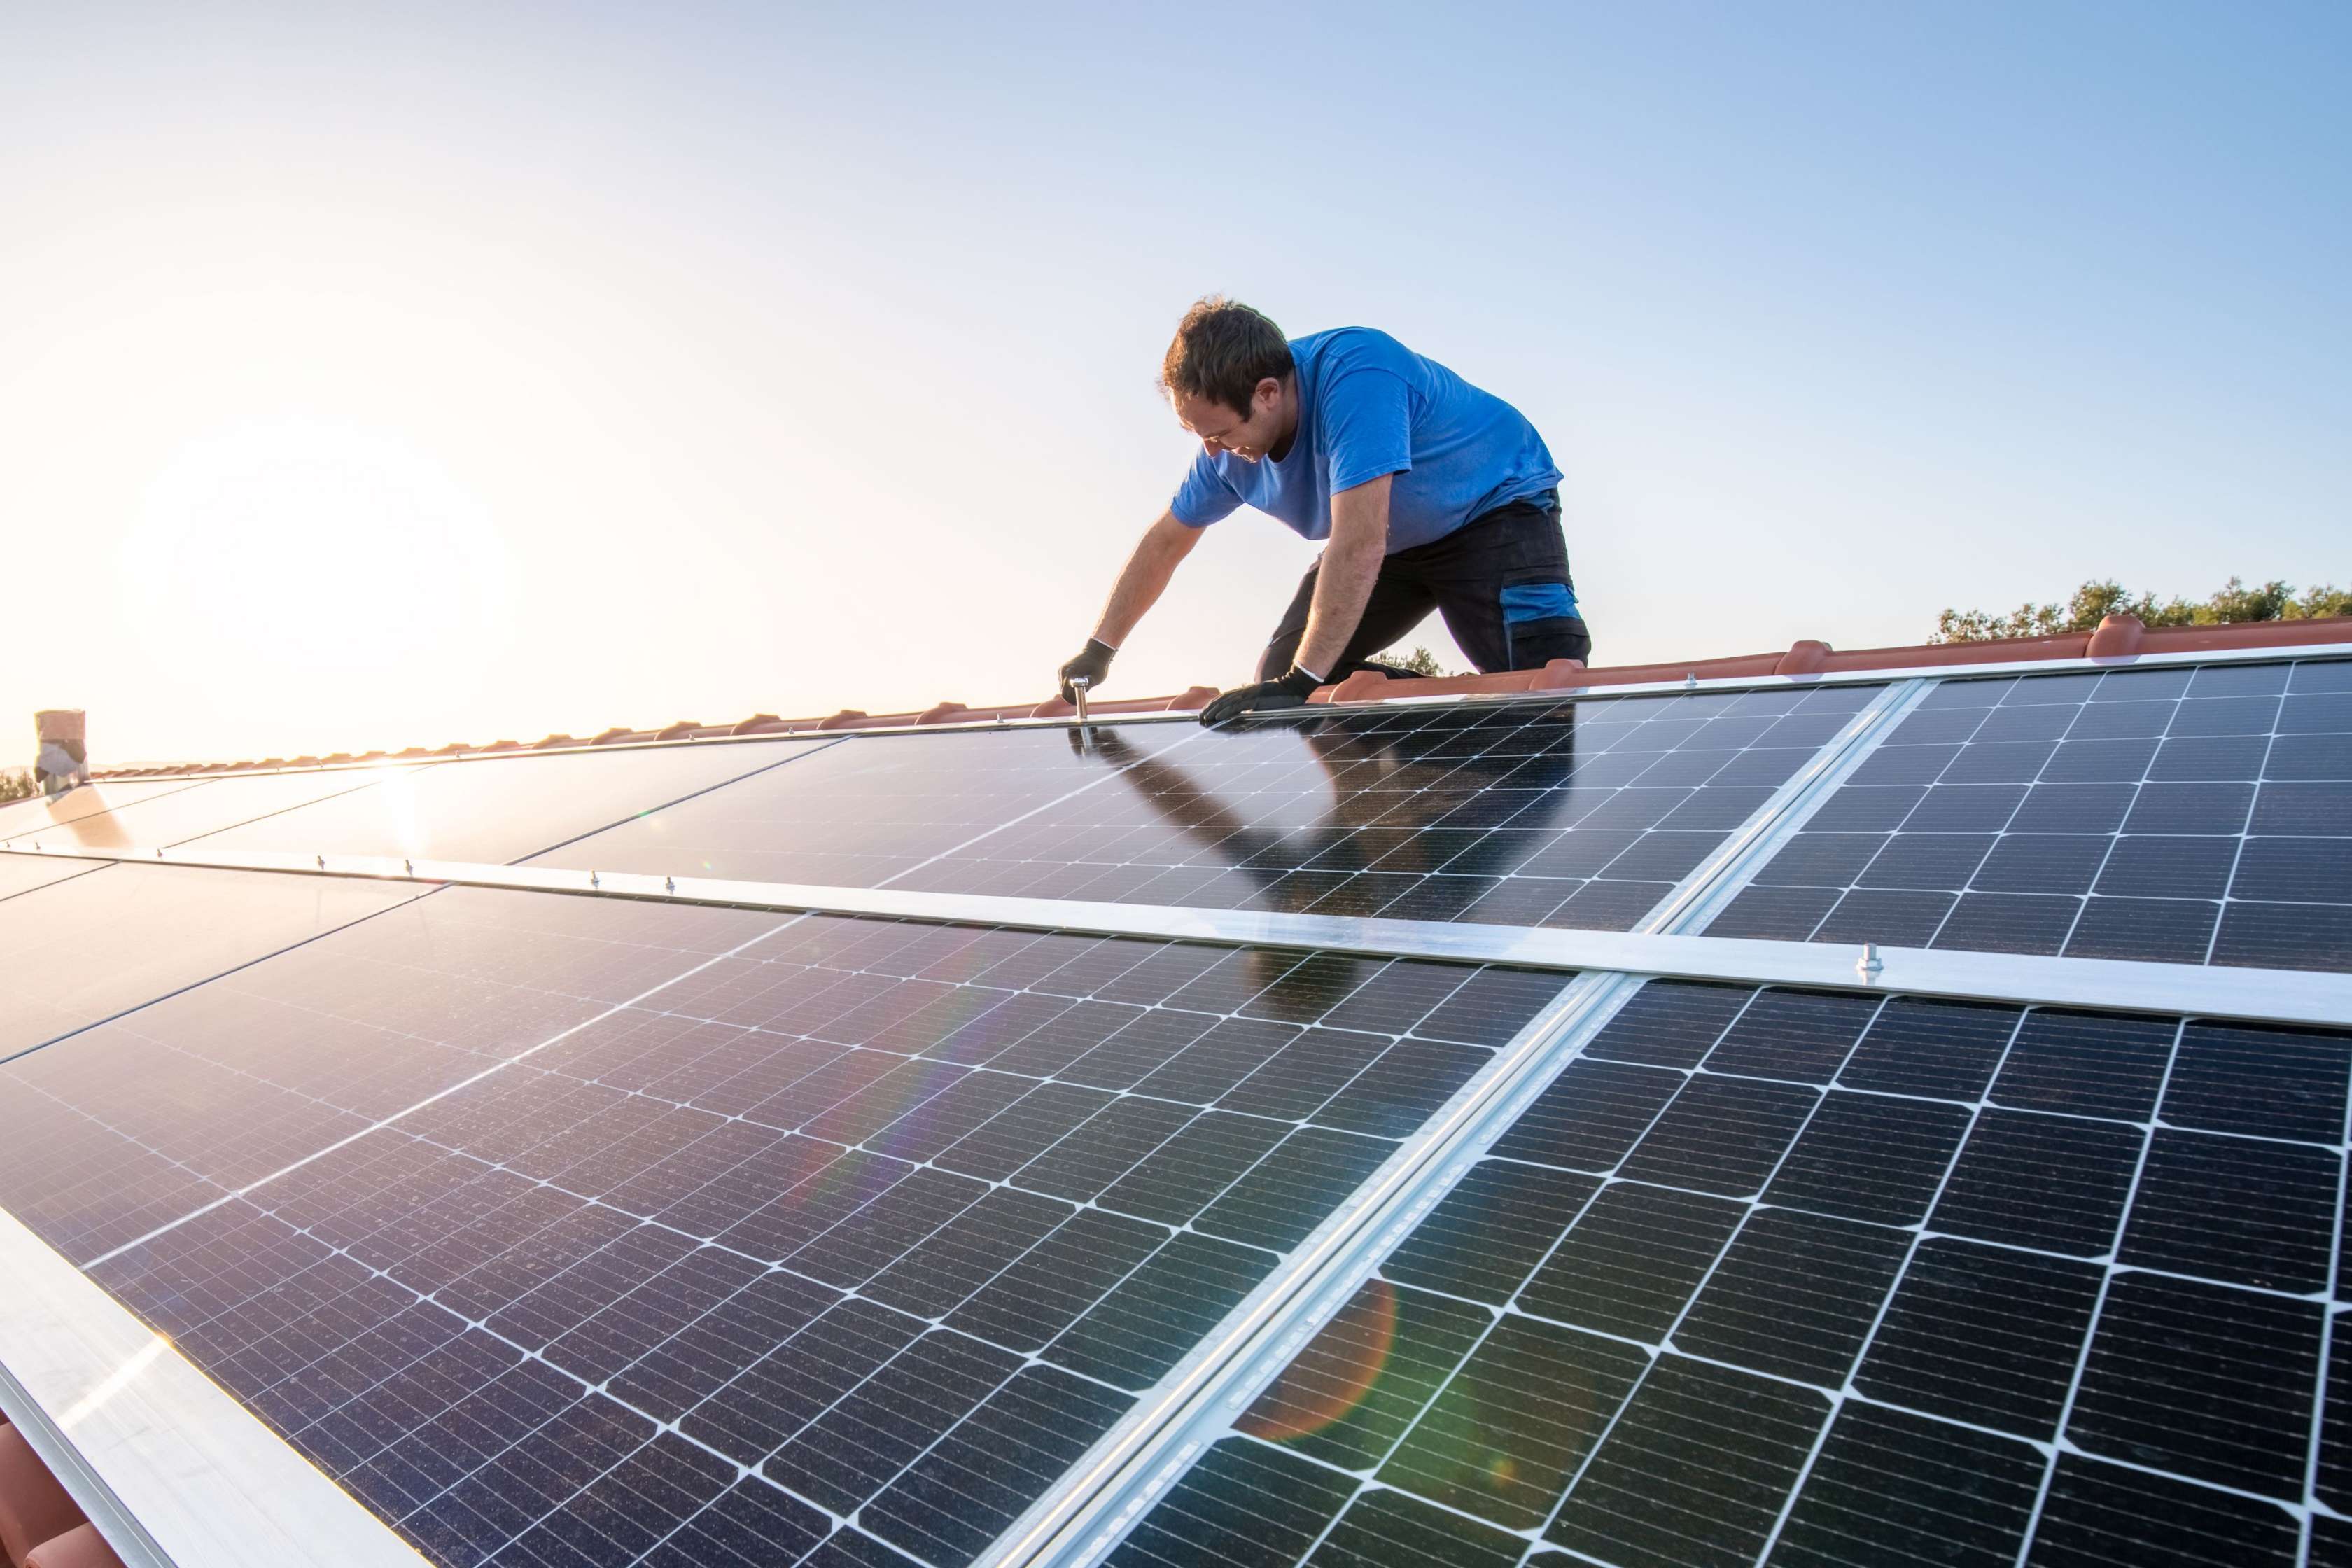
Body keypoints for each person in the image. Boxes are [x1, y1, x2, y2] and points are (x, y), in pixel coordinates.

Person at [1058, 297, 1589, 726]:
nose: (1213, 452)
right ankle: (1443, 743)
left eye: (1220, 433)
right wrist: (1099, 650)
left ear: (1267, 393)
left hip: (1492, 510)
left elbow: (1359, 540)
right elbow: (1166, 542)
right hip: (1393, 546)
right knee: (1282, 676)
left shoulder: (1358, 377)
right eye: (1200, 437)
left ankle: (1492, 713)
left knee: (1542, 686)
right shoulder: (1223, 456)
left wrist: (1300, 684)